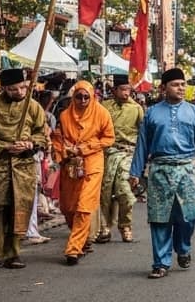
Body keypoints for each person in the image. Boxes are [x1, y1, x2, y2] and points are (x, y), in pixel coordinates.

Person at [129, 68, 195, 279]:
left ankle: (183, 248)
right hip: (159, 169)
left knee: (189, 216)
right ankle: (161, 262)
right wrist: (135, 172)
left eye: (183, 84)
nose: (181, 88)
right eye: (176, 84)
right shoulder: (152, 113)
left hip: (186, 169)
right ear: (163, 88)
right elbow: (142, 145)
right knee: (160, 218)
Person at [0, 67, 49, 271]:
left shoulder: (33, 106)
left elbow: (41, 135)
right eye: (13, 89)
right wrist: (5, 146)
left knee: (20, 209)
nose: (19, 92)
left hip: (24, 165)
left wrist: (29, 143)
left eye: (22, 88)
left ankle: (13, 253)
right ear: (3, 88)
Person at [51, 80, 115, 265]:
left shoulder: (101, 113)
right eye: (79, 96)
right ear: (73, 97)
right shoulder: (64, 116)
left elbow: (109, 138)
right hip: (70, 166)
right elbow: (57, 138)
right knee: (68, 207)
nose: (83, 100)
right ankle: (82, 238)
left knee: (84, 206)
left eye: (87, 96)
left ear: (92, 96)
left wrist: (85, 148)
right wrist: (64, 151)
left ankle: (73, 249)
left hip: (92, 165)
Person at [97, 73, 143, 244]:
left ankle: (125, 225)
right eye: (122, 89)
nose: (126, 93)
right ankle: (105, 227)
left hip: (127, 154)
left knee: (125, 191)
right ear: (114, 90)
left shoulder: (136, 108)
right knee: (105, 192)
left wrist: (142, 158)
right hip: (107, 154)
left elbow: (143, 134)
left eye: (128, 90)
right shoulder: (104, 107)